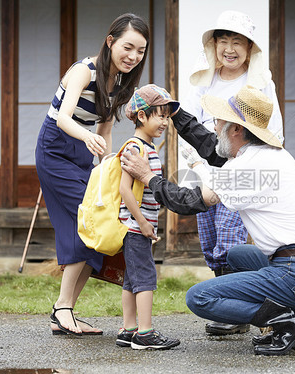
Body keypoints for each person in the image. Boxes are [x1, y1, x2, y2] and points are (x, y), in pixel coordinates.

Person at [121, 86, 295, 356]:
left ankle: (285, 322)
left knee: (199, 297)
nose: (213, 128)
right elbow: (214, 150)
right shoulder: (269, 155)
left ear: (235, 129)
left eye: (218, 121)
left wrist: (149, 178)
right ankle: (290, 324)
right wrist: (176, 114)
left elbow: (187, 202)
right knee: (237, 255)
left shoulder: (249, 169)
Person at [35, 13, 150, 336]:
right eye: (128, 47)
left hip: (86, 154)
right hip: (56, 150)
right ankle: (62, 308)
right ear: (110, 41)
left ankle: (65, 309)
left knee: (98, 223)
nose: (133, 56)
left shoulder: (123, 83)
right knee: (87, 224)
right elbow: (63, 119)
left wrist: (108, 166)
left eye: (140, 51)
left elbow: (105, 129)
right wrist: (87, 139)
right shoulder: (82, 71)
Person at [180, 9, 284, 336]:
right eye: (223, 40)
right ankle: (227, 305)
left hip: (242, 172)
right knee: (210, 242)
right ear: (213, 45)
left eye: (236, 41)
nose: (229, 48)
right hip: (203, 172)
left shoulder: (260, 82)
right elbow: (189, 129)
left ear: (249, 47)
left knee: (229, 239)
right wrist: (198, 168)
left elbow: (274, 131)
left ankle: (235, 310)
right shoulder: (203, 82)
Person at [115, 84, 181, 350]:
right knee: (145, 277)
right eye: (160, 115)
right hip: (135, 226)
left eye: (167, 116)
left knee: (132, 278)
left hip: (136, 225)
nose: (165, 122)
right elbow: (123, 189)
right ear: (142, 116)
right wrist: (142, 222)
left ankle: (129, 329)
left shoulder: (146, 146)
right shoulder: (136, 147)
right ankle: (145, 333)